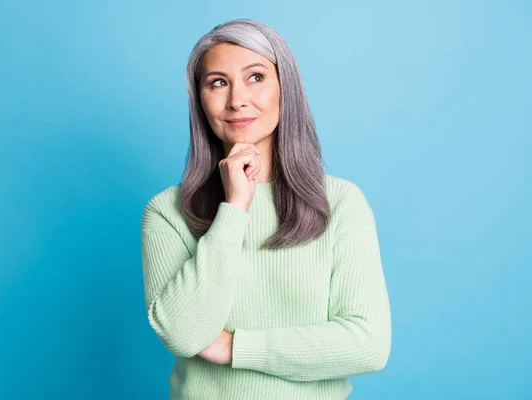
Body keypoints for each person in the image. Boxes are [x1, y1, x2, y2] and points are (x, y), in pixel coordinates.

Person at [140, 18, 392, 400]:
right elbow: (184, 335)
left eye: (255, 77)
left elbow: (368, 344)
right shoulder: (166, 212)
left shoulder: (340, 202)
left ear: (284, 88)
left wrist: (235, 348)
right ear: (201, 100)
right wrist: (235, 207)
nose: (237, 99)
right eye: (218, 82)